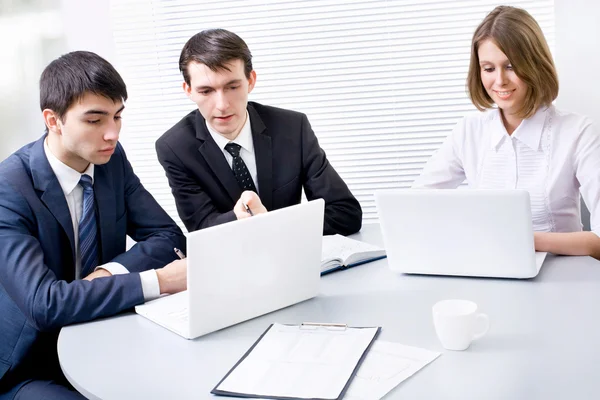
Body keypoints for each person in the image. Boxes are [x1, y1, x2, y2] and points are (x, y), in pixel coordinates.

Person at [0, 51, 188, 399]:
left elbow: (168, 236)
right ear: (53, 120)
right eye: (95, 120)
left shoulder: (111, 161)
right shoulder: (9, 188)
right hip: (30, 362)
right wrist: (158, 280)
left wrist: (107, 273)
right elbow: (45, 305)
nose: (112, 133)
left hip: (104, 331)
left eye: (117, 116)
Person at [413, 5, 600, 259]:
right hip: (489, 270)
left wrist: (523, 239)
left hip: (562, 277)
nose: (499, 80)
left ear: (534, 65)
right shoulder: (469, 131)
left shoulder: (578, 132)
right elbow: (417, 203)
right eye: (488, 69)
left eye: (511, 66)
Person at [155, 29, 362, 236]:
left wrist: (271, 225)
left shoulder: (292, 127)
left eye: (233, 87)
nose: (222, 105)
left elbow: (345, 213)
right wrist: (240, 220)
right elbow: (201, 230)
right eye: (206, 91)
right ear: (188, 90)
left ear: (251, 81)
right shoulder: (175, 148)